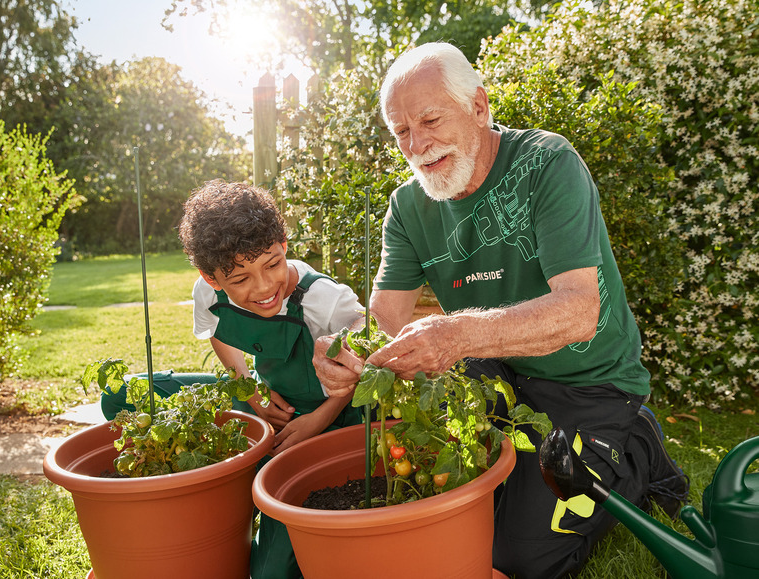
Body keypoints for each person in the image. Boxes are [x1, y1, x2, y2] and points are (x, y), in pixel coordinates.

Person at [313, 42, 689, 578]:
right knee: (460, 515)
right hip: (494, 371)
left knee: (514, 560)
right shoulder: (407, 205)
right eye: (401, 132)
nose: (417, 145)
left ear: (480, 107)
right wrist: (349, 355)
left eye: (430, 119)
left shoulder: (546, 164)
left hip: (590, 379)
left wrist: (458, 335)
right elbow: (386, 314)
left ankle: (634, 458)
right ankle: (552, 460)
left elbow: (579, 311)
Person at [178, 179, 364, 579]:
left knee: (270, 573)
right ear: (211, 278)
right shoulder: (206, 293)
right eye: (240, 279)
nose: (264, 289)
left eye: (272, 264)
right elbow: (217, 334)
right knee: (126, 395)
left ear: (283, 244)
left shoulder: (327, 301)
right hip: (267, 404)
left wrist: (319, 419)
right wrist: (252, 391)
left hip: (333, 416)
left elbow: (361, 370)